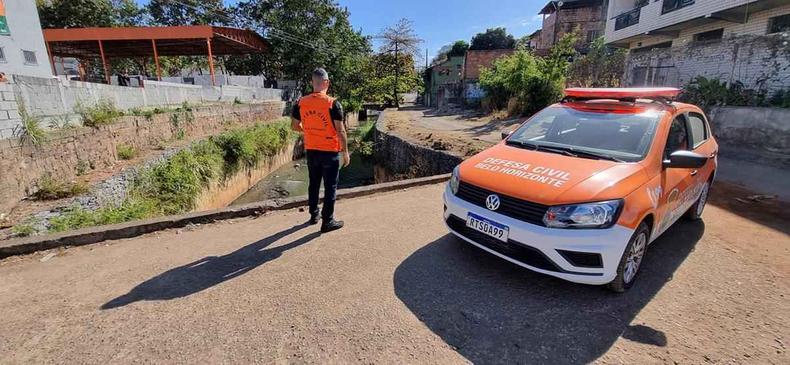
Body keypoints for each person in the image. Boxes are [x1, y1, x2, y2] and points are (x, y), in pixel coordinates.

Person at [291, 68, 350, 233]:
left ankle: (314, 215)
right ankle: (328, 221)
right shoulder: (333, 103)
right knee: (330, 186)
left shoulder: (301, 102)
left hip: (311, 151)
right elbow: (341, 131)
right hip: (329, 152)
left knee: (314, 184)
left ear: (313, 83)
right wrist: (345, 152)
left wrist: (310, 130)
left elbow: (294, 126)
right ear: (327, 83)